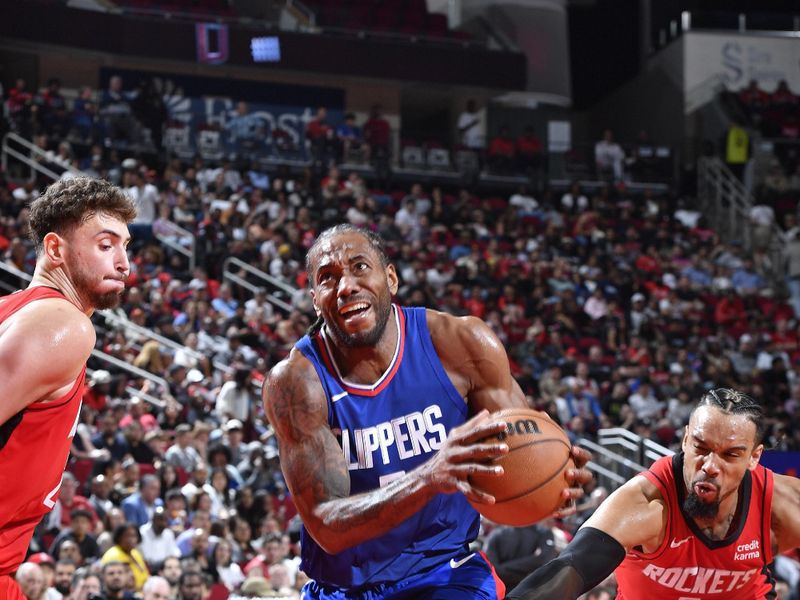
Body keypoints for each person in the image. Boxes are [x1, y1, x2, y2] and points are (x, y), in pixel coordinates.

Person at [262, 224, 591, 599]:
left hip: (444, 573)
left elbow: (518, 458)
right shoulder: (297, 384)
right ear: (315, 299)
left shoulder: (461, 343)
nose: (346, 286)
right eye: (328, 278)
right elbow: (327, 526)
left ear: (391, 279)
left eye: (359, 267)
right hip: (343, 588)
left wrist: (555, 483)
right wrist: (430, 477)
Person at [507, 387, 800, 599]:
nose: (710, 466)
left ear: (754, 457)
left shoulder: (782, 505)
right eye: (701, 447)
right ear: (685, 440)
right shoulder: (645, 502)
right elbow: (571, 567)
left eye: (731, 455)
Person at [0, 177, 135, 599]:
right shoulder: (65, 323)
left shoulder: (15, 310)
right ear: (55, 249)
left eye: (126, 246)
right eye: (105, 244)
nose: (124, 263)